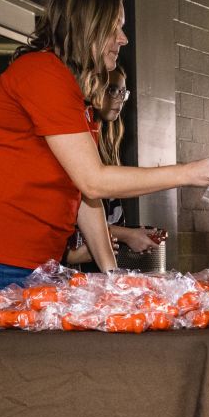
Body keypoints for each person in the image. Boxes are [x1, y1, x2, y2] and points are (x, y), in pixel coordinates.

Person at [0, 0, 209, 308]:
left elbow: (82, 195)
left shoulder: (74, 91)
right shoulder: (42, 73)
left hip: (23, 258)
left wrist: (113, 276)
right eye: (114, 28)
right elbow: (94, 182)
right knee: (21, 359)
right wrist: (188, 173)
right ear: (86, 28)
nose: (123, 39)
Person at [61, 65, 165, 270]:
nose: (119, 99)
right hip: (66, 264)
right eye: (112, 90)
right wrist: (128, 235)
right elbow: (76, 213)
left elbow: (96, 212)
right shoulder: (74, 141)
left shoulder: (105, 142)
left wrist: (132, 234)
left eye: (122, 92)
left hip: (94, 264)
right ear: (92, 88)